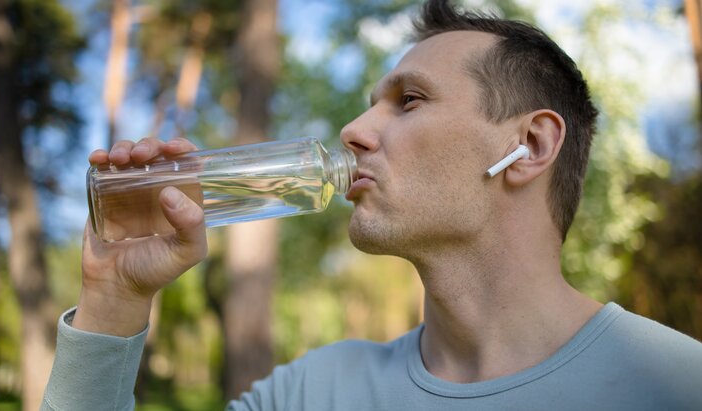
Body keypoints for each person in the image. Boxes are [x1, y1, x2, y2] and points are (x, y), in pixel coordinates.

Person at [41, 0, 702, 410]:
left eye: (408, 100)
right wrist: (114, 300)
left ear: (529, 146)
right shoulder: (311, 393)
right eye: (369, 104)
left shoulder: (675, 384)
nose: (354, 130)